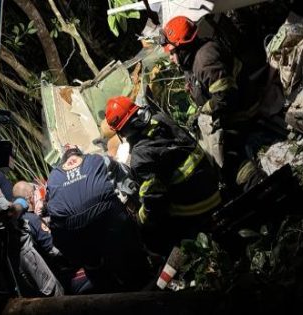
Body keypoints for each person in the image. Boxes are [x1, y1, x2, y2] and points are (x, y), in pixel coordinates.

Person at [160, 15, 267, 195]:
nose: (170, 58)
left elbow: (226, 96)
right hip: (229, 110)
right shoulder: (191, 62)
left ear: (184, 48)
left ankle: (257, 186)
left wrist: (206, 111)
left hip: (243, 110)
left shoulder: (204, 60)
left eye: (172, 52)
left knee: (227, 156)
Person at [105, 96, 222, 255]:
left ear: (121, 131)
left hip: (197, 207)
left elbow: (155, 202)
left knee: (153, 233)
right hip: (213, 184)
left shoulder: (140, 157)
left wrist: (141, 218)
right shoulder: (160, 119)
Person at [45, 144, 153, 293]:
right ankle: (144, 280)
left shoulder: (53, 177)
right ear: (80, 154)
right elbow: (128, 182)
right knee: (130, 252)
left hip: (75, 231)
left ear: (63, 161)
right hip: (109, 217)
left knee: (93, 265)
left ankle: (105, 289)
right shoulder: (97, 158)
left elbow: (51, 209)